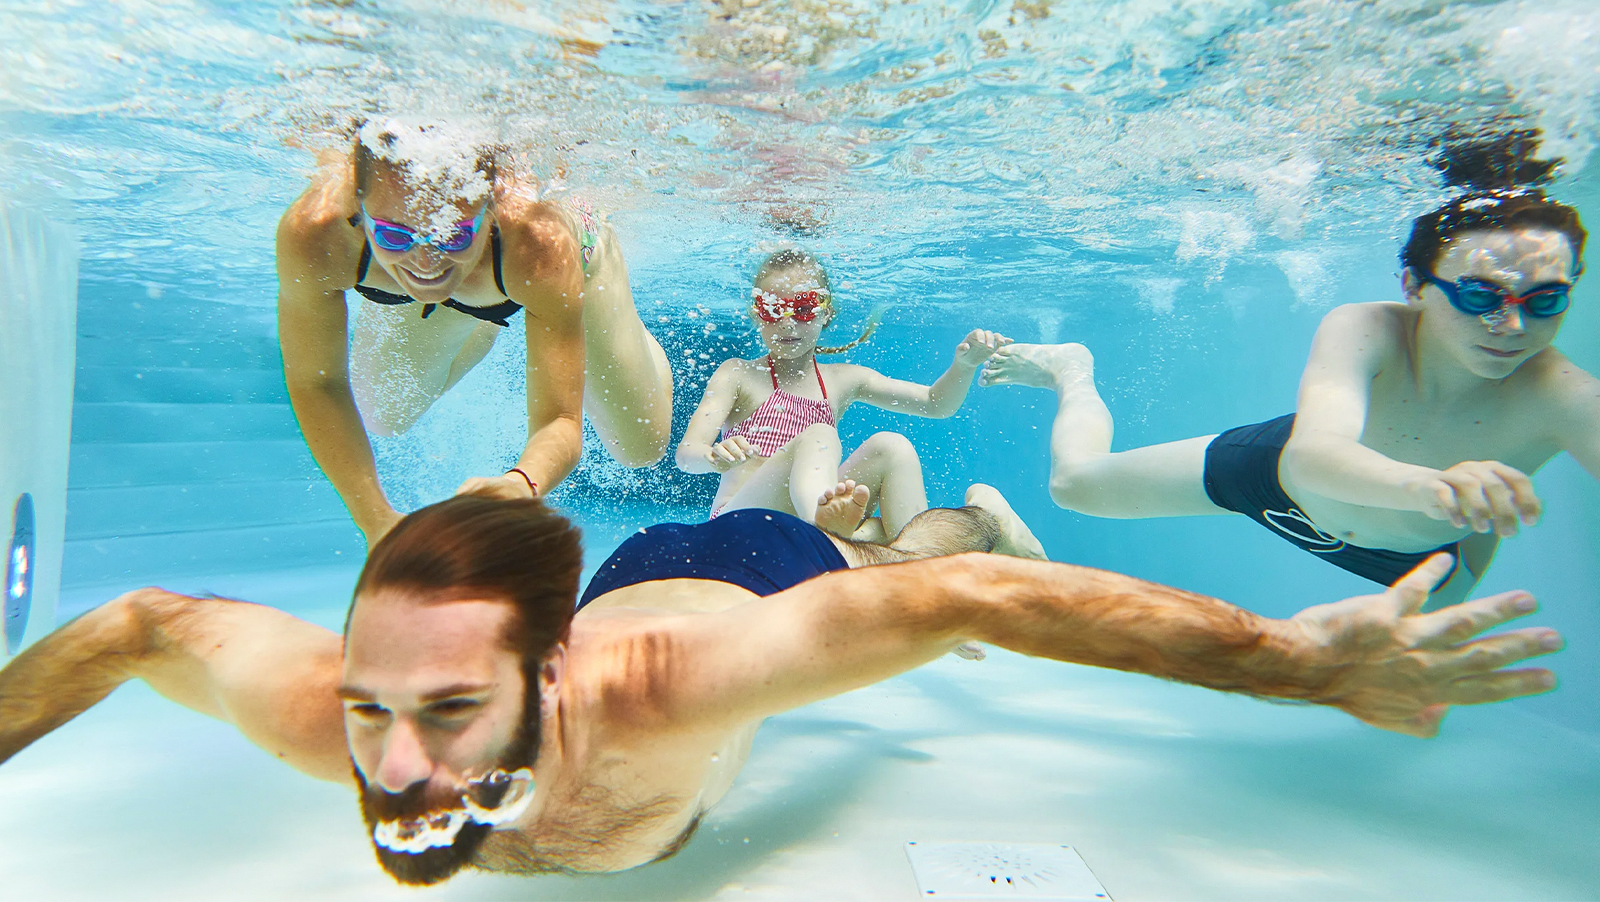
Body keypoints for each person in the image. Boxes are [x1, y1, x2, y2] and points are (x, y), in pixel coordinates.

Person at [0, 493, 1560, 885]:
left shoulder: (674, 686)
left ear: (551, 681)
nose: (393, 768)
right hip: (616, 570)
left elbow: (973, 605)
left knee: (906, 556)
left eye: (450, 715)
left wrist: (1303, 662)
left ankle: (932, 494)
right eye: (369, 710)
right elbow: (141, 622)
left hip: (760, 575)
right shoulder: (339, 705)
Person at [982, 131, 1598, 606]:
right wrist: (1432, 487)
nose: (1513, 327)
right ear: (1414, 284)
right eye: (1479, 296)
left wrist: (1448, 509)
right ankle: (1072, 371)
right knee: (1076, 487)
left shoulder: (1565, 396)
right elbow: (1310, 457)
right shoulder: (1369, 328)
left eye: (1545, 300)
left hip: (1420, 559)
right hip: (1281, 480)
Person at [276, 119, 673, 547]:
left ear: (491, 208)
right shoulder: (317, 234)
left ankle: (605, 327)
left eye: (453, 235)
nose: (426, 264)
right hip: (482, 277)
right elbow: (317, 382)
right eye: (393, 235)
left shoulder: (536, 245)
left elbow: (559, 418)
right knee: (385, 415)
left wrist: (523, 483)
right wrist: (375, 521)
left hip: (564, 265)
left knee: (640, 447)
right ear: (360, 213)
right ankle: (479, 312)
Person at [677, 248, 1013, 541]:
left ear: (827, 313)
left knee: (893, 448)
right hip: (740, 522)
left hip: (800, 523)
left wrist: (964, 366)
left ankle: (916, 557)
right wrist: (712, 457)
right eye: (773, 308)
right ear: (757, 314)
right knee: (820, 435)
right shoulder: (739, 374)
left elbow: (935, 404)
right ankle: (827, 534)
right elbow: (686, 454)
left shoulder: (843, 381)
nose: (788, 323)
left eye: (804, 308)